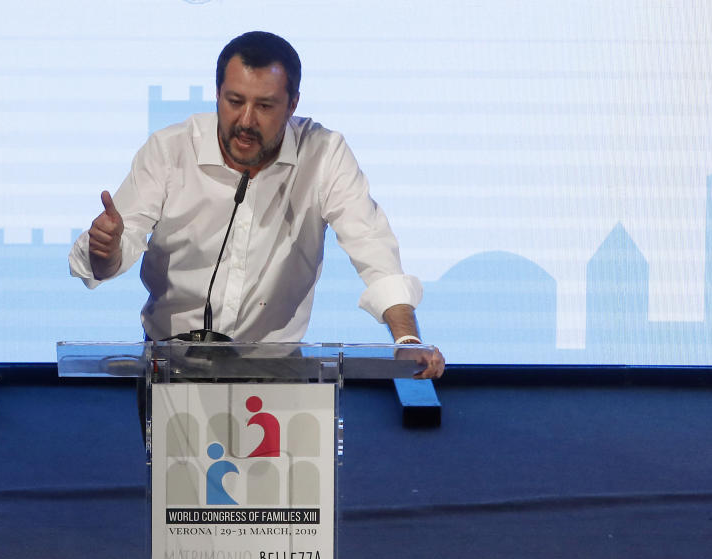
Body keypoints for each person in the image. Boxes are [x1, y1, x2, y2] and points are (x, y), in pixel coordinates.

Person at [70, 31, 444, 379]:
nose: (245, 121)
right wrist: (105, 251)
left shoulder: (324, 154)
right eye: (235, 101)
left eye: (264, 105)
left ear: (292, 103)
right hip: (170, 367)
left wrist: (407, 340)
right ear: (217, 93)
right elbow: (111, 256)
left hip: (277, 371)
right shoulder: (169, 151)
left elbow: (372, 247)